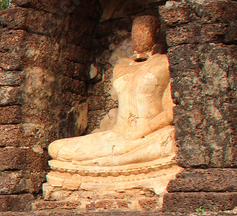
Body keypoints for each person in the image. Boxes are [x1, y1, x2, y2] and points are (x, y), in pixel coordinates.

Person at [48, 15, 175, 170]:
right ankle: (110, 161)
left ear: (155, 33)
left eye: (144, 31)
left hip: (147, 135)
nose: (139, 37)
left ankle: (110, 162)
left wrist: (141, 132)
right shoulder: (121, 67)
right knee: (56, 148)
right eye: (135, 32)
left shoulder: (165, 63)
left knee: (165, 144)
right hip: (117, 134)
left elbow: (170, 112)